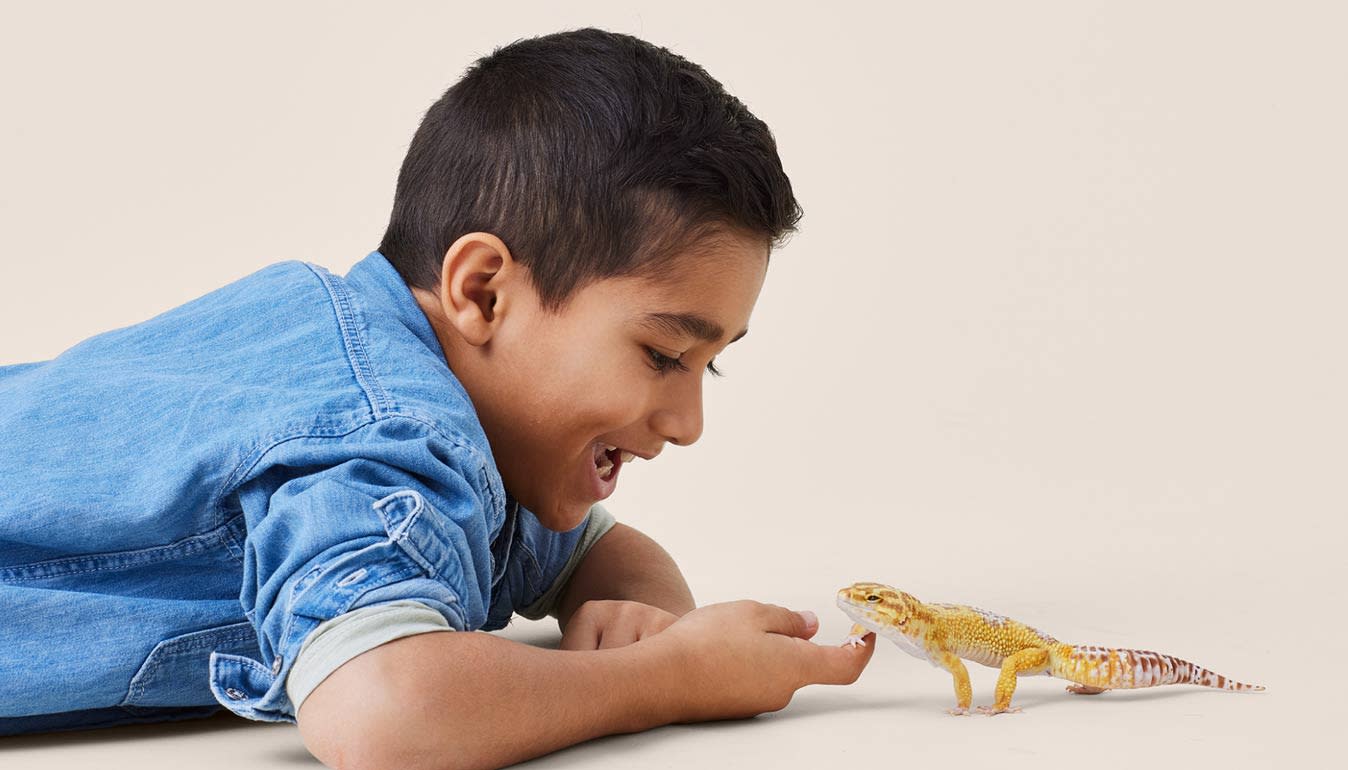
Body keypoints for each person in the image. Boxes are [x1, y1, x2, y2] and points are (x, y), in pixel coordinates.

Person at [0, 26, 876, 768]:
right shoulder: (388, 436)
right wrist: (667, 678)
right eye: (662, 353)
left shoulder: (440, 413)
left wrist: (644, 617)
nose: (686, 425)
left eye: (706, 365)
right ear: (485, 291)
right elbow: (381, 712)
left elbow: (594, 551)